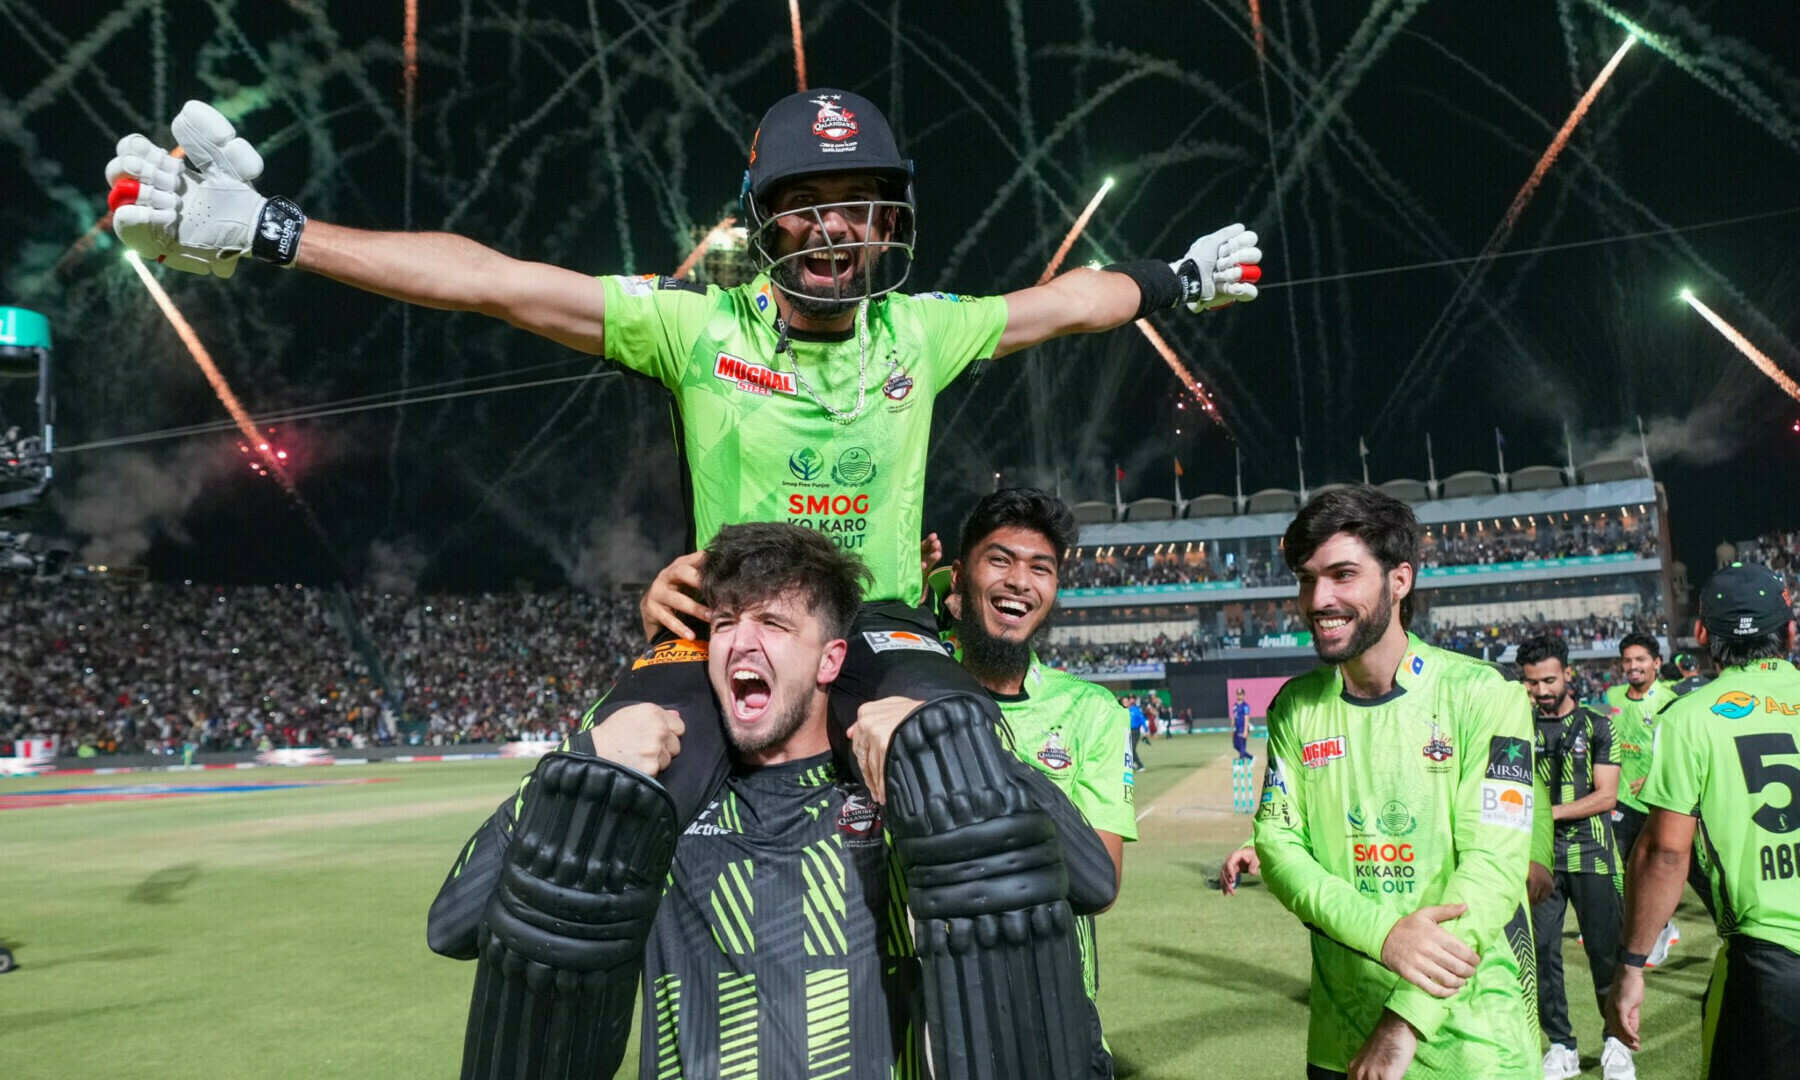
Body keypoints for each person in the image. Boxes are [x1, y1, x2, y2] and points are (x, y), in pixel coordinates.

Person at [109, 92, 1260, 1080]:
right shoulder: (698, 328)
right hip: (735, 628)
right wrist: (275, 231)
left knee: (959, 772)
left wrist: (1178, 281)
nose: (833, 226)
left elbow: (1068, 303)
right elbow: (495, 283)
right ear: (766, 218)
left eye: (858, 202)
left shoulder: (925, 332)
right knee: (606, 783)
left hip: (882, 632)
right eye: (808, 200)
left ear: (888, 224)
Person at [1253, 486, 1537, 1080]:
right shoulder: (1294, 710)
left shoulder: (1488, 696)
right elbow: (1280, 852)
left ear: (1399, 580)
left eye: (1343, 575)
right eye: (1308, 580)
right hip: (1339, 1043)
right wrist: (1386, 935)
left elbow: (1494, 867)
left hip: (1474, 1046)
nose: (1318, 599)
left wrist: (1403, 1021)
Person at [860, 487, 1136, 1076]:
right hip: (925, 1006)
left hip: (1053, 1009)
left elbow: (1099, 881)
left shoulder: (1093, 712)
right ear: (961, 576)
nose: (1020, 581)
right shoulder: (892, 692)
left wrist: (956, 731)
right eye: (1000, 560)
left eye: (1041, 568)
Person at [1604, 562, 1800, 1076]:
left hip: (1770, 960)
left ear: (1700, 635)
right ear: (1790, 630)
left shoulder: (1689, 717)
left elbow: (1667, 852)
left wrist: (1631, 965)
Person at [1518, 635, 1632, 1080]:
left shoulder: (1598, 725)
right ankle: (1560, 1045)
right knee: (1542, 954)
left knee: (1605, 954)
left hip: (1593, 854)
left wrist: (1546, 813)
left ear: (1567, 673)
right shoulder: (1516, 727)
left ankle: (1617, 1042)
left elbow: (1605, 797)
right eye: (1532, 684)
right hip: (1539, 858)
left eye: (1549, 679)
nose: (1542, 691)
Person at [1603, 631, 1680, 965]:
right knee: (1620, 871)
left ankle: (1662, 928)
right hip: (1621, 801)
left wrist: (1653, 778)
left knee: (1659, 872)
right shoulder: (1613, 695)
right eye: (1628, 660)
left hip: (1659, 801)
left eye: (1641, 660)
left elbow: (1679, 749)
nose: (1633, 666)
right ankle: (1641, 930)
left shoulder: (1670, 699)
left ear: (1657, 663)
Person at [1232, 688, 1254, 761]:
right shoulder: (1235, 705)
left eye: (1241, 694)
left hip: (1242, 728)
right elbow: (1234, 716)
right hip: (1237, 728)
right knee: (1235, 745)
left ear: (1243, 695)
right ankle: (1251, 757)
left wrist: (1245, 730)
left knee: (1242, 746)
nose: (1239, 696)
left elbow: (1246, 718)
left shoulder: (1245, 706)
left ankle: (1240, 762)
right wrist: (1232, 729)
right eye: (1238, 694)